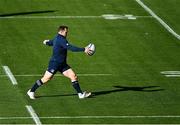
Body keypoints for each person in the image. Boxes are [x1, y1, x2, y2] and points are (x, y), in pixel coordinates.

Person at [27, 25, 92, 99]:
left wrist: (47, 42)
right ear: (61, 31)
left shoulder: (58, 38)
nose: (67, 33)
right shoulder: (61, 39)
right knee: (46, 79)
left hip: (62, 64)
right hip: (55, 63)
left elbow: (52, 42)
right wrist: (84, 49)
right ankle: (31, 91)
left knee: (73, 76)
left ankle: (80, 94)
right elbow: (70, 48)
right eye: (66, 32)